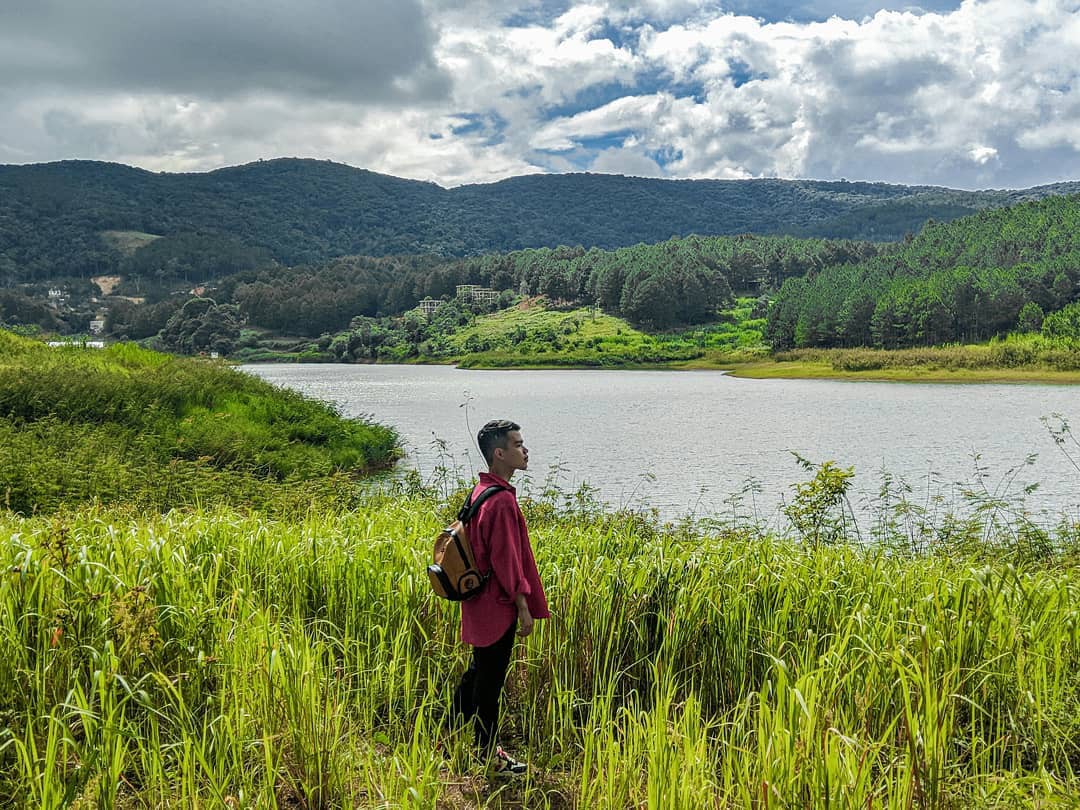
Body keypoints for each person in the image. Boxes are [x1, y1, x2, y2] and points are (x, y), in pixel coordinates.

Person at [451, 419, 549, 776]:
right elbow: (507, 560)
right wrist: (523, 606)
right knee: (490, 685)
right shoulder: (502, 500)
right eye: (518, 444)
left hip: (477, 600)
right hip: (497, 605)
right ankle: (490, 758)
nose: (525, 450)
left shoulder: (481, 491)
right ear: (500, 453)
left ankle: (447, 731)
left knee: (479, 671)